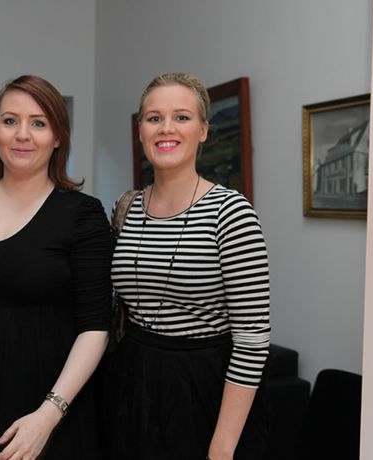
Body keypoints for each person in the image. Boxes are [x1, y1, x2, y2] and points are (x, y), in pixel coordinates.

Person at [0, 75, 113, 460]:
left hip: (50, 411)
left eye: (39, 123)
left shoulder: (83, 214)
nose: (22, 134)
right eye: (10, 120)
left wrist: (48, 416)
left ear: (58, 137)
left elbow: (95, 327)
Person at [103, 72, 270, 460]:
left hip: (204, 389)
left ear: (203, 130)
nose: (167, 128)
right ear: (140, 131)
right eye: (154, 118)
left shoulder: (231, 213)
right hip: (131, 384)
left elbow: (252, 341)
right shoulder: (125, 208)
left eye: (182, 117)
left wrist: (222, 446)